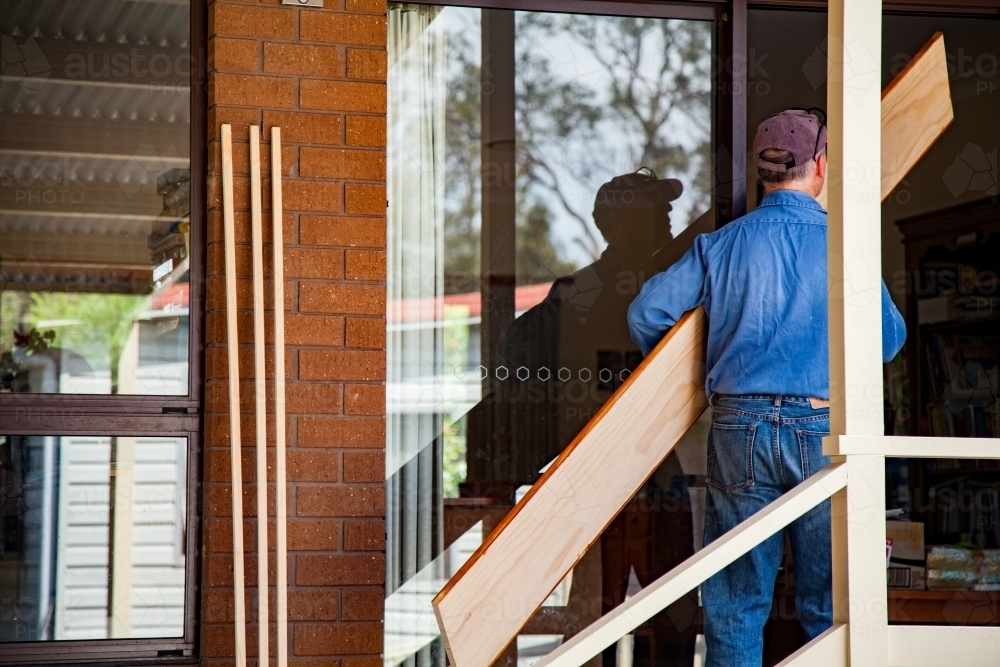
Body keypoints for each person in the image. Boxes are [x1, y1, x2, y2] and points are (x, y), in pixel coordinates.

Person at [626, 109, 907, 667]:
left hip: (738, 428)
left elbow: (646, 313)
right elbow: (888, 341)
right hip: (823, 429)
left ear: (763, 172)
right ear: (820, 164)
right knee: (830, 607)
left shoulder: (721, 245)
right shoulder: (844, 246)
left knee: (735, 604)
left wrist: (706, 365)